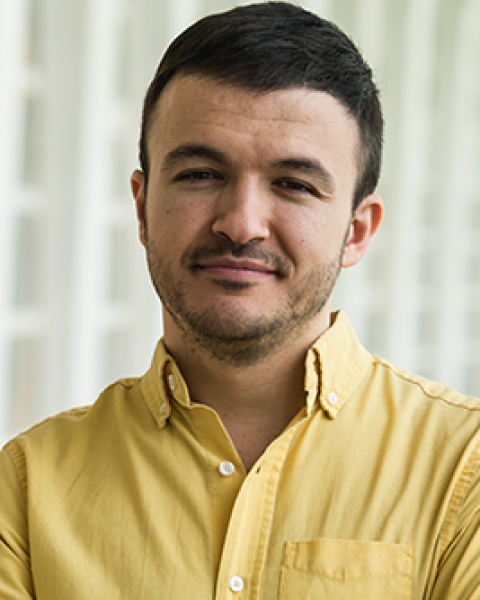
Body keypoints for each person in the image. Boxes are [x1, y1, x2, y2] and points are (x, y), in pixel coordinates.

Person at [1, 2, 480, 598]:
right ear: (142, 207)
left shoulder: (465, 471)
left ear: (357, 231)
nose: (241, 223)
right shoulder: (25, 490)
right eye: (201, 174)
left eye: (294, 185)